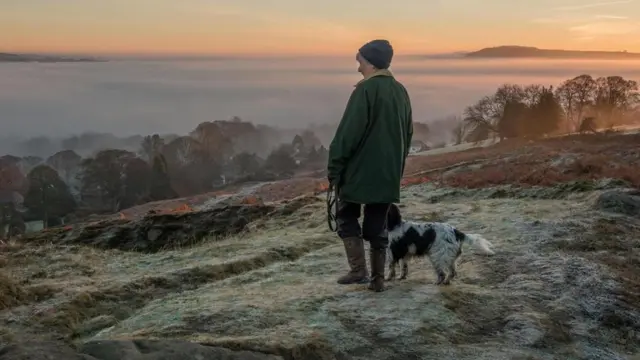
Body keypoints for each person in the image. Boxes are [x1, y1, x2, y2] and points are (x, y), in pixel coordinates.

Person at [327, 39, 413, 292]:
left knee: (345, 216)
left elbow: (347, 136)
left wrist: (334, 169)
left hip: (358, 172)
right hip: (388, 173)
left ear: (371, 62)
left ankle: (358, 271)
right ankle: (378, 281)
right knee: (378, 224)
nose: (358, 68)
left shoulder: (364, 91)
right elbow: (407, 134)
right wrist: (396, 167)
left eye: (360, 62)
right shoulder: (401, 91)